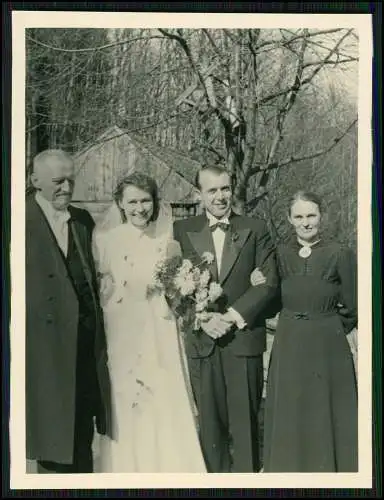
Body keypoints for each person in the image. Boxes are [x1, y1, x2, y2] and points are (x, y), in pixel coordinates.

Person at [92, 172, 207, 473]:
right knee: (127, 393)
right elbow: (102, 287)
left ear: (155, 202)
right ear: (120, 203)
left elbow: (178, 286)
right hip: (122, 327)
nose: (140, 208)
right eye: (132, 201)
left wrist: (175, 288)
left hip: (158, 325)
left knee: (161, 390)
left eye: (145, 201)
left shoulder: (167, 239)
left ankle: (165, 466)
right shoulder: (105, 241)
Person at [173, 164, 279, 473]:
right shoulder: (182, 231)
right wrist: (204, 318)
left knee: (246, 427)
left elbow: (270, 283)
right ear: (199, 194)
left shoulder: (255, 228)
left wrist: (231, 317)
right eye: (212, 190)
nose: (221, 196)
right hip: (202, 342)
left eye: (225, 188)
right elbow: (172, 287)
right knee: (209, 428)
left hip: (243, 341)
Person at [26, 149, 112, 473]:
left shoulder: (83, 220)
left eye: (71, 180)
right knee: (51, 443)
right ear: (35, 180)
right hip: (44, 353)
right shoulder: (19, 220)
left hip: (84, 348)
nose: (66, 187)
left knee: (81, 441)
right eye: (57, 181)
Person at [262, 190, 358, 472]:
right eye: (299, 216)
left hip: (327, 342)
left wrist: (327, 326)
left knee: (324, 406)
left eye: (311, 215)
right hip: (289, 339)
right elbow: (270, 297)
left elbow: (353, 304)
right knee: (291, 404)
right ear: (289, 219)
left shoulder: (340, 252)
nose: (306, 222)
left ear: (321, 216)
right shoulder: (279, 253)